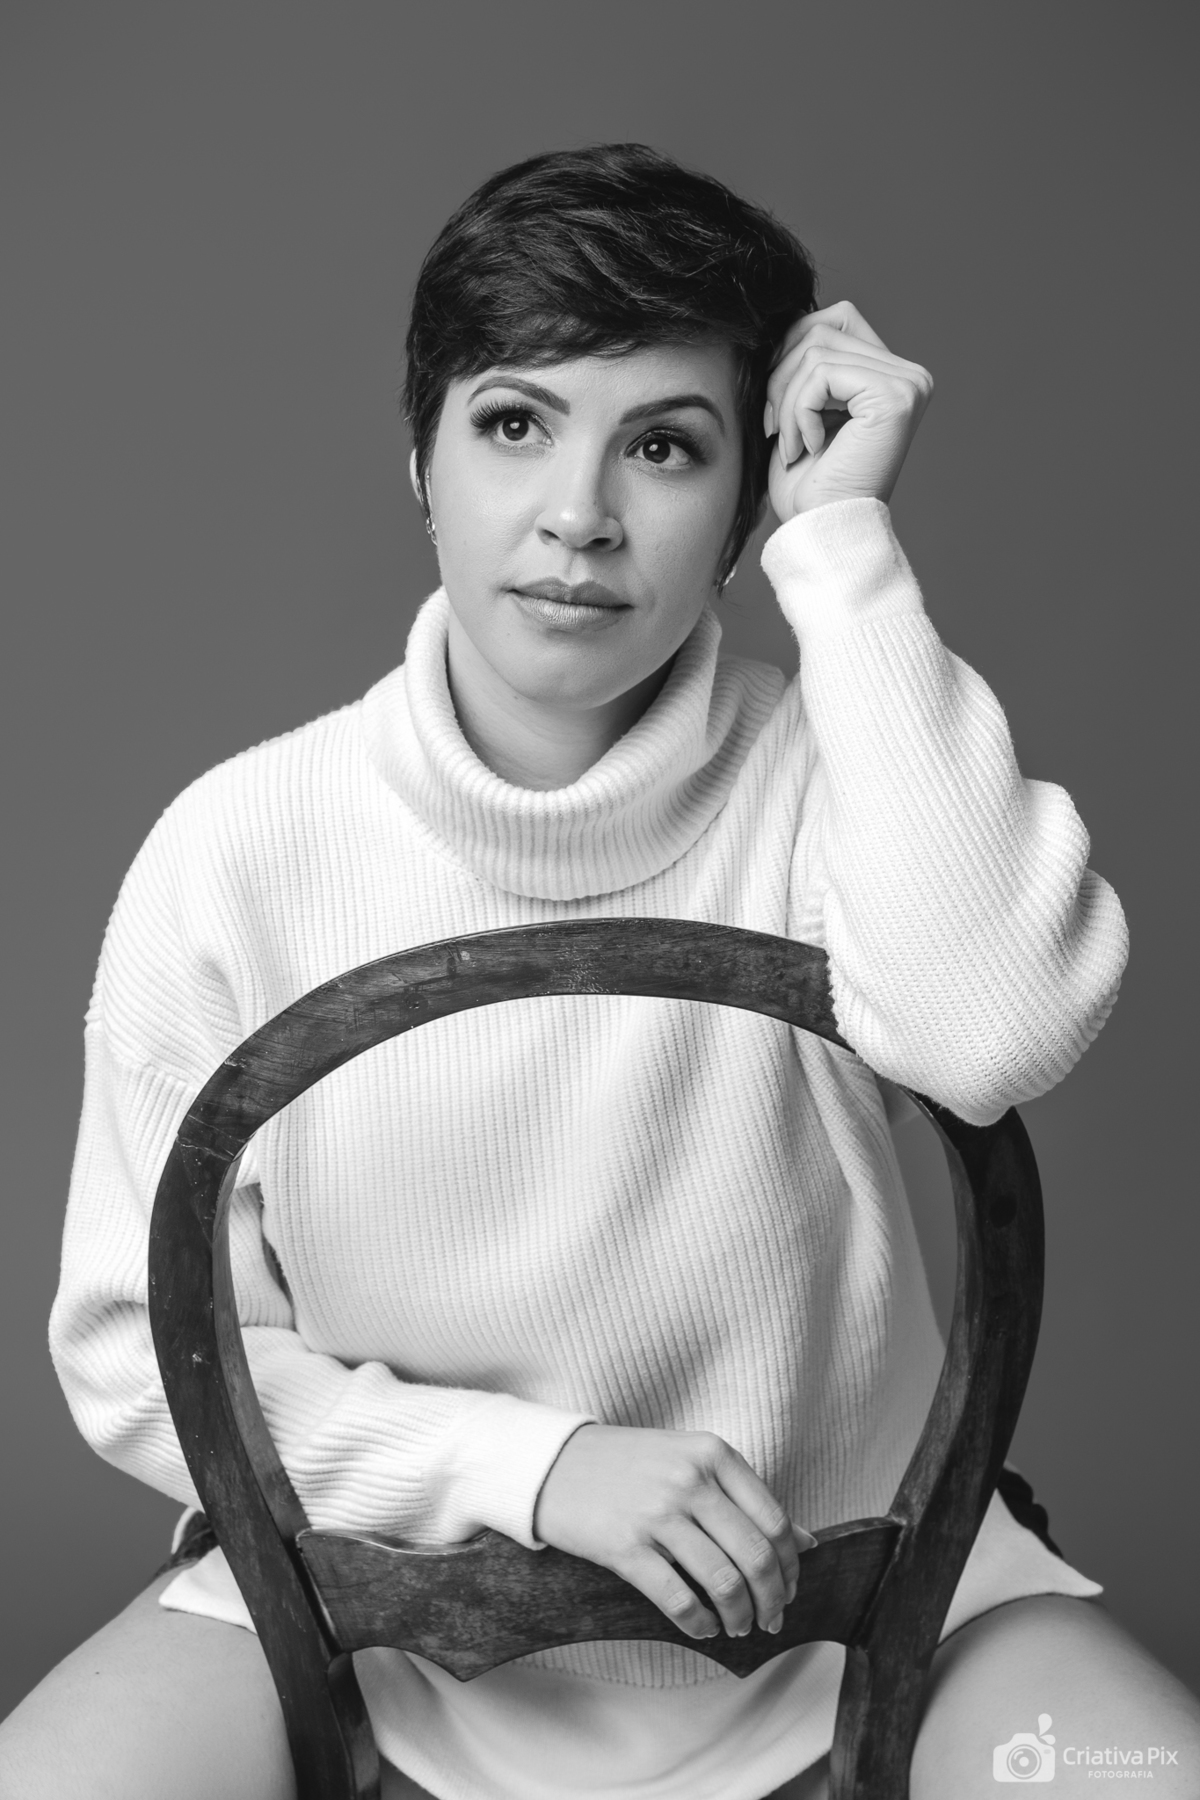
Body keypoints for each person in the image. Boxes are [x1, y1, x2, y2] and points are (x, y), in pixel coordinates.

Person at [2, 143, 1196, 1800]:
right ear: (420, 460)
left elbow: (991, 1032)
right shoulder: (236, 850)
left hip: (875, 1608)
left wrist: (844, 544)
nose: (579, 514)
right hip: (359, 1610)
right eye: (514, 424)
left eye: (665, 445)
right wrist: (531, 1468)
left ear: (744, 503)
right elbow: (141, 1354)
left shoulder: (843, 775)